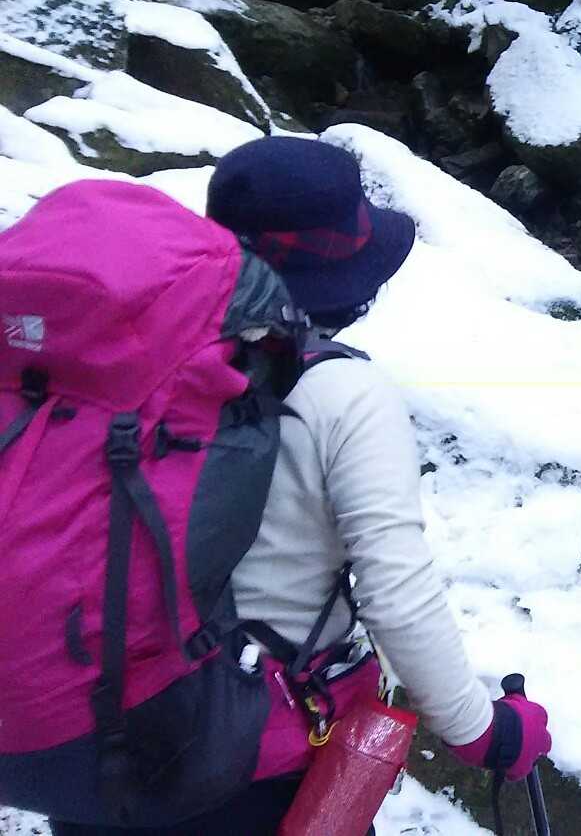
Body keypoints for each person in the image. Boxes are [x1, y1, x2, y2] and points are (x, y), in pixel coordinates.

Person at [52, 137, 550, 834]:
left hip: (89, 736)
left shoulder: (125, 355)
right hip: (240, 760)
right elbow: (396, 593)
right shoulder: (343, 392)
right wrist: (485, 732)